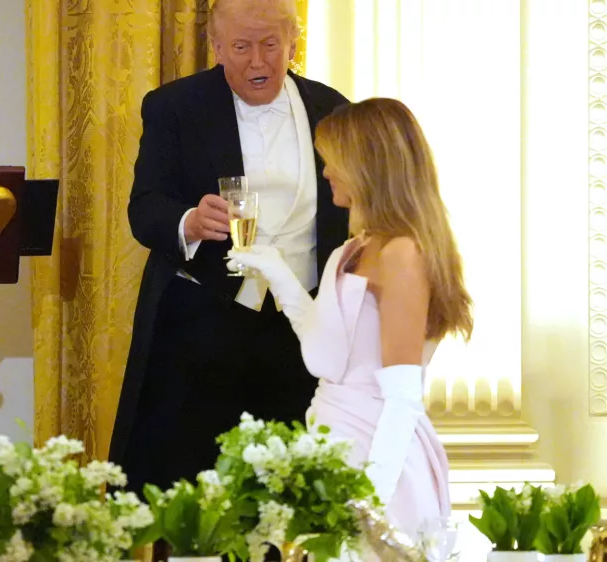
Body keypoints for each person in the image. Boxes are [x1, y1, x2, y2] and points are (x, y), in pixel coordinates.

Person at [109, 0, 351, 498]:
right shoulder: (174, 106)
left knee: (288, 486)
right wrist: (190, 222)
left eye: (270, 45)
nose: (257, 61)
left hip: (300, 325)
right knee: (186, 484)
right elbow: (145, 207)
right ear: (218, 48)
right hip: (201, 320)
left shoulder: (333, 109)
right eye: (241, 47)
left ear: (293, 42)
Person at [229, 98, 472, 534]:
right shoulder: (353, 248)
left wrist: (369, 501)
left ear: (367, 165)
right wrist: (278, 272)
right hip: (333, 449)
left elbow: (402, 397)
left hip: (380, 459)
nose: (325, 173)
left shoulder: (402, 254)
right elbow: (326, 352)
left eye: (333, 162)